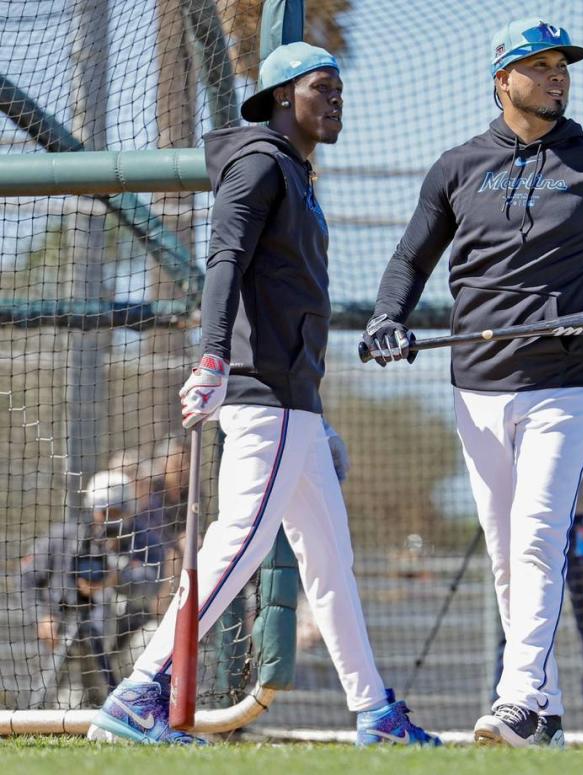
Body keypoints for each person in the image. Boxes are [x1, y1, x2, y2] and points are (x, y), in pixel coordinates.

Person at [361, 18, 583, 747]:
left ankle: (519, 697)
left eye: (564, 66)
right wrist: (386, 319)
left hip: (565, 381)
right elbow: (409, 262)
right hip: (477, 384)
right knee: (505, 551)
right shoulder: (457, 167)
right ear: (504, 78)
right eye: (541, 66)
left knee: (536, 536)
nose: (558, 77)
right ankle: (547, 709)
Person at [87, 42, 439, 746]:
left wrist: (315, 417)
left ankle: (374, 710)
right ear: (282, 95)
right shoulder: (258, 162)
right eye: (322, 87)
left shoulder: (295, 175)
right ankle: (138, 692)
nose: (337, 98)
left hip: (294, 405)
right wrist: (212, 357)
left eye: (340, 87)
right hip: (261, 394)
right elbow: (225, 261)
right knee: (238, 546)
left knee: (331, 564)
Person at [491, 351, 583, 705]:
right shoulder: (528, 358)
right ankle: (508, 703)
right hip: (529, 514)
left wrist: (554, 411)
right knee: (518, 613)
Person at [21, 470, 162, 702]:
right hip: (72, 640)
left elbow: (152, 584)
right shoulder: (66, 538)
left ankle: (139, 704)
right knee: (71, 707)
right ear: (92, 509)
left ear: (129, 510)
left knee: (153, 635)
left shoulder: (145, 541)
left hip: (124, 644)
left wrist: (118, 578)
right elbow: (26, 576)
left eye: (118, 512)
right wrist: (42, 615)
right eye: (105, 511)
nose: (111, 519)